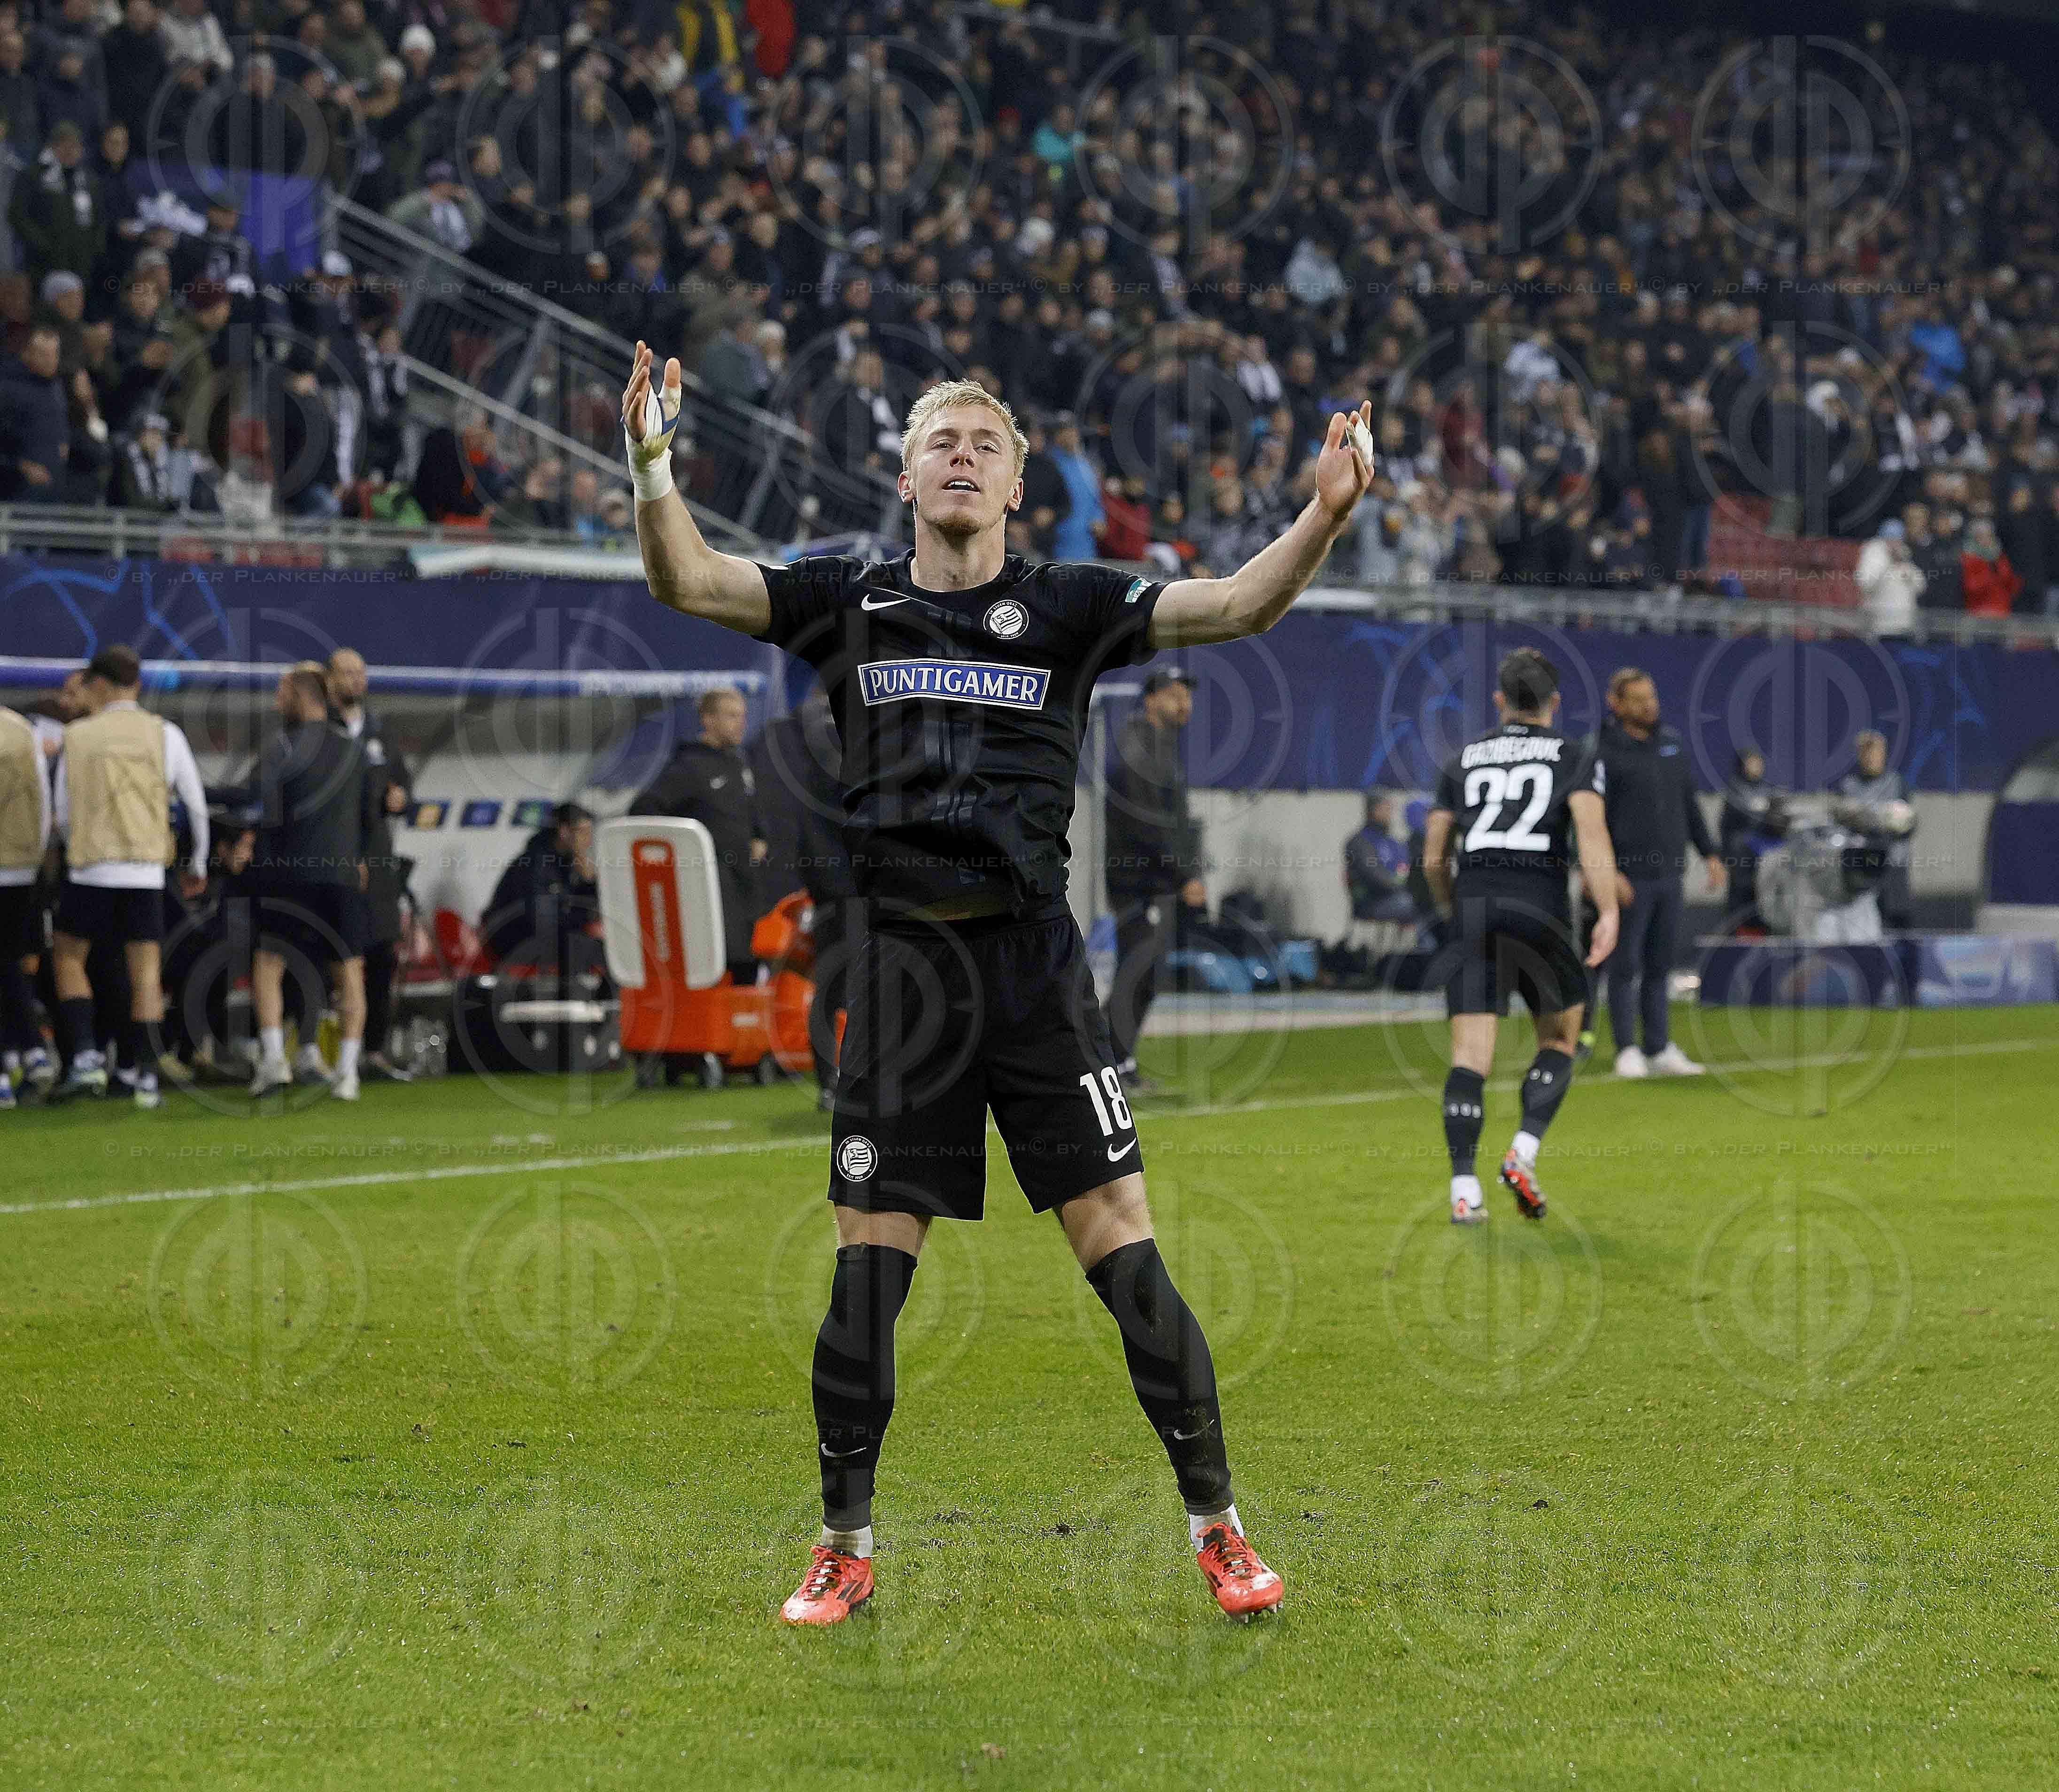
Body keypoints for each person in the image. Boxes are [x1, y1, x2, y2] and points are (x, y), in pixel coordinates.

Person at [622, 340, 1372, 1625]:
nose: (962, 457)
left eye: (985, 445)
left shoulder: (1071, 604)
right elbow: (687, 575)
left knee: (1126, 1253)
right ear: (905, 475)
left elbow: (1240, 606)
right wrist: (650, 461)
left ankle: (1222, 1532)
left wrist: (1324, 512)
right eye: (941, 443)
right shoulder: (845, 598)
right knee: (868, 1273)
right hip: (901, 973)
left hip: (1031, 968)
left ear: (1018, 485)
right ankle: (843, 1542)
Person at [1421, 648, 1620, 1224]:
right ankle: (1523, 1152)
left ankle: (1465, 1190)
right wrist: (1606, 910)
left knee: (1469, 1060)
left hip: (1475, 912)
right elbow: (1591, 834)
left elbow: (1434, 856)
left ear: (1499, 700)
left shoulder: (1461, 759)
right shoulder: (1573, 755)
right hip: (1541, 910)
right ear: (1553, 704)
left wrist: (1450, 908)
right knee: (1561, 1039)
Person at [46, 643, 208, 1108]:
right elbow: (195, 804)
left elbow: (61, 816)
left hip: (92, 869)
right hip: (144, 873)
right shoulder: (166, 735)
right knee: (146, 974)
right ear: (136, 684)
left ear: (98, 682)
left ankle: (84, 1060)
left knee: (70, 959)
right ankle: (141, 1075)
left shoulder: (78, 736)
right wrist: (196, 864)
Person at [246, 665, 376, 1102]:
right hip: (340, 877)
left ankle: (275, 1063)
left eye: (281, 693)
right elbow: (367, 818)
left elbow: (254, 804)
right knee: (350, 973)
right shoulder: (354, 752)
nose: (276, 702)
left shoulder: (281, 749)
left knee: (268, 965)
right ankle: (347, 1075)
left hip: (290, 876)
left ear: (300, 696)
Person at [1592, 667, 1726, 1079]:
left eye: (1652, 697)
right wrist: (1606, 872)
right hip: (1627, 876)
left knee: (1659, 965)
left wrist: (1710, 853)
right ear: (1616, 703)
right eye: (1639, 699)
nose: (1650, 705)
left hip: (1669, 873)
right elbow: (1590, 820)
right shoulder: (1601, 751)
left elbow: (1688, 802)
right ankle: (1626, 1048)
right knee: (1624, 965)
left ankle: (1658, 1045)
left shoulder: (1670, 744)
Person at [751, 684, 857, 1104]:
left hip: (837, 892)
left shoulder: (792, 748)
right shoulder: (836, 760)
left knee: (837, 988)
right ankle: (838, 1081)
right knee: (853, 987)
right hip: (850, 892)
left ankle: (833, 1082)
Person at [1103, 666, 1204, 1093]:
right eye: (1173, 694)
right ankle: (1104, 1066)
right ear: (1150, 699)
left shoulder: (1162, 747)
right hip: (1139, 882)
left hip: (1156, 881)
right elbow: (1148, 825)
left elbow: (1176, 824)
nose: (1184, 702)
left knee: (1146, 976)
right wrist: (1184, 876)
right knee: (1136, 974)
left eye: (1187, 694)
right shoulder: (1138, 746)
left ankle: (1116, 1064)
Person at [629, 685, 768, 984]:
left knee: (752, 967)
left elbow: (749, 811)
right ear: (708, 720)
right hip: (711, 894)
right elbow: (644, 808)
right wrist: (686, 853)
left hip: (748, 888)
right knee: (724, 969)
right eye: (731, 716)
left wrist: (758, 837)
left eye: (743, 716)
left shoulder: (740, 762)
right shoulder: (688, 766)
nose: (741, 723)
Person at [327, 649, 413, 1079]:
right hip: (331, 855)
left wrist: (401, 798)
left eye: (361, 673)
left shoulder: (380, 730)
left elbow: (402, 784)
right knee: (329, 954)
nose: (355, 681)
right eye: (346, 673)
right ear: (329, 679)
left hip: (378, 860)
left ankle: (374, 1051)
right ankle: (313, 1050)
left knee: (382, 953)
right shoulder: (319, 730)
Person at [0, 703, 52, 1109]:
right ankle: (28, 1051)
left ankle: (23, 1055)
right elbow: (45, 801)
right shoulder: (22, 729)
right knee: (9, 963)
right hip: (20, 867)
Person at [482, 803, 598, 973]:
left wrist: (588, 882)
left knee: (596, 946)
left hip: (542, 936)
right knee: (589, 949)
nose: (588, 841)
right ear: (564, 831)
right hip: (514, 941)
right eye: (583, 833)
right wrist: (584, 919)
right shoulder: (535, 865)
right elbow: (542, 919)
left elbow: (574, 909)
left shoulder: (564, 863)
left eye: (590, 834)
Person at [1834, 730, 1914, 930]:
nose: (1871, 758)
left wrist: (1895, 824)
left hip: (1892, 863)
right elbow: (1840, 824)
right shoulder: (1848, 786)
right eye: (1866, 753)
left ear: (1884, 755)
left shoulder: (1896, 783)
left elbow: (1910, 824)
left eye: (1876, 753)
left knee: (1897, 921)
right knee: (1861, 924)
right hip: (1860, 866)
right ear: (1860, 755)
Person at [1344, 790, 1417, 927]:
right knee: (1413, 904)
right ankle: (1426, 949)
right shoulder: (1360, 843)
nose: (1391, 814)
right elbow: (1376, 878)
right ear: (1375, 810)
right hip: (1371, 903)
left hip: (1399, 897)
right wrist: (1407, 888)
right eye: (1387, 808)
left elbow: (1408, 869)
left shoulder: (1393, 843)